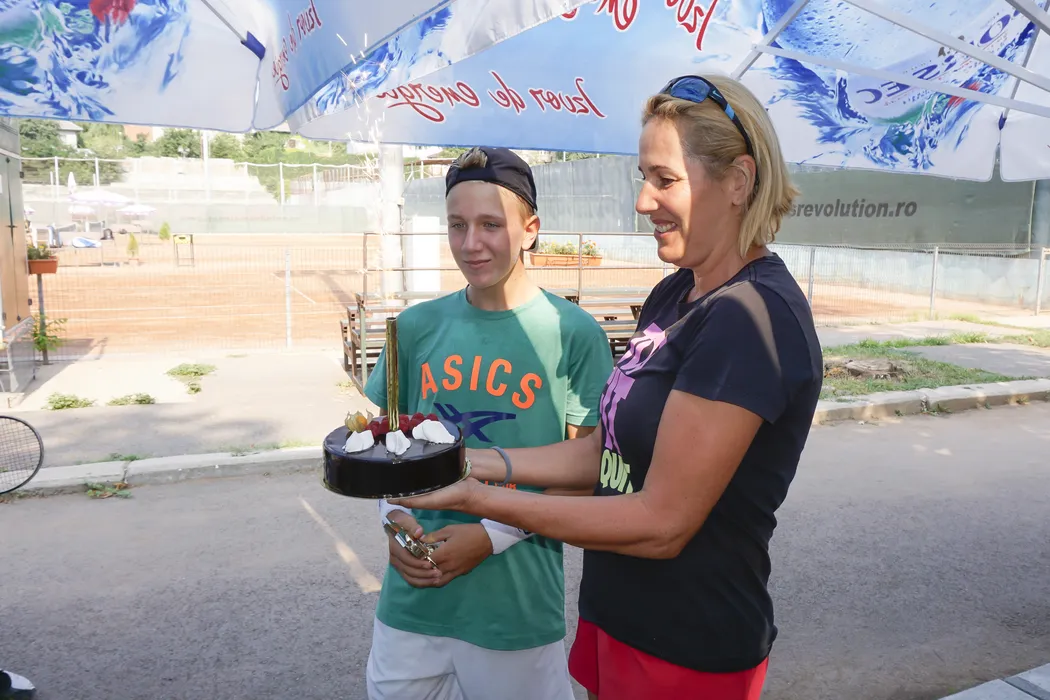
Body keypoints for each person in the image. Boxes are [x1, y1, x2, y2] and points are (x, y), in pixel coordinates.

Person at [393, 74, 824, 700]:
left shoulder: (751, 317)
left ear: (738, 181)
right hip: (620, 618)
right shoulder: (677, 292)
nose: (643, 201)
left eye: (665, 179)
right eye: (642, 178)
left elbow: (661, 522)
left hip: (689, 645)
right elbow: (605, 452)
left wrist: (479, 500)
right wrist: (461, 462)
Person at [363, 146, 614, 700]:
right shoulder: (415, 326)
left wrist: (491, 536)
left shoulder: (573, 333)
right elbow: (386, 453)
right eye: (457, 225)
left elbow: (585, 473)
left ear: (530, 229)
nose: (471, 243)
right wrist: (394, 521)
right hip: (411, 602)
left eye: (491, 225)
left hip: (514, 609)